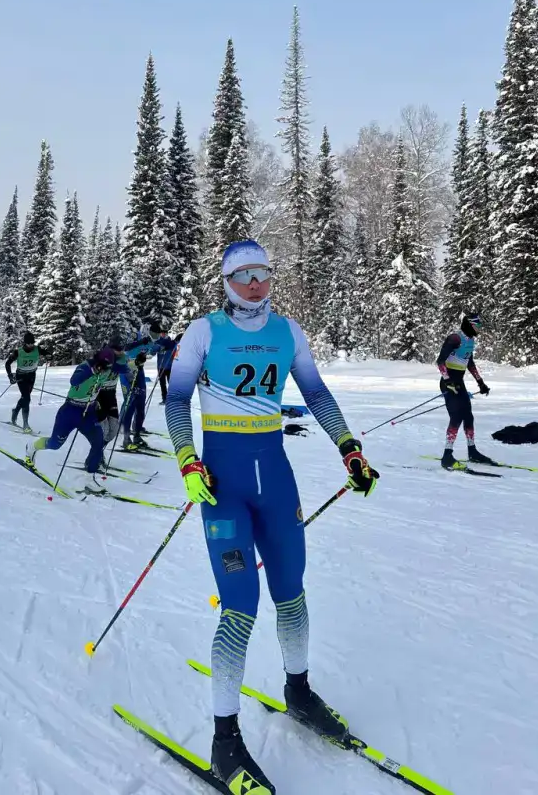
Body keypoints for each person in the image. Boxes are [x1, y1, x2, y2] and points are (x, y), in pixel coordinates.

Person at [166, 239, 379, 794]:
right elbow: (176, 400)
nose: (256, 284)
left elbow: (317, 393)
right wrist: (188, 459)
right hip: (222, 488)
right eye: (244, 276)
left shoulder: (289, 333)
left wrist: (349, 447)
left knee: (292, 591)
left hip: (276, 483)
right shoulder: (204, 332)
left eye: (263, 274)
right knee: (240, 607)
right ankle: (223, 739)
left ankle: (299, 690)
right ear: (227, 282)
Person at [28, 348, 128, 474]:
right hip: (71, 411)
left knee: (98, 442)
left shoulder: (108, 367)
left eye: (109, 367)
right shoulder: (86, 366)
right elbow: (74, 380)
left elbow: (125, 368)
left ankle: (89, 479)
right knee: (54, 444)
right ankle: (31, 447)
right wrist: (93, 371)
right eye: (104, 366)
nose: (106, 370)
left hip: (89, 412)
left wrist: (138, 361)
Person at [437, 312, 491, 469]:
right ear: (469, 324)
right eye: (477, 325)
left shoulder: (470, 341)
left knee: (468, 415)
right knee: (457, 415)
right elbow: (440, 361)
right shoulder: (455, 338)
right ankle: (447, 456)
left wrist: (480, 383)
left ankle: (472, 451)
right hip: (448, 381)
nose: (479, 329)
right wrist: (448, 381)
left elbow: (470, 363)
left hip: (458, 382)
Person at [121, 321, 176, 449]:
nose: (155, 336)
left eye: (157, 334)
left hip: (139, 370)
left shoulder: (153, 341)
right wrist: (140, 343)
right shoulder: (137, 336)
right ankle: (126, 437)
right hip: (127, 370)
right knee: (130, 402)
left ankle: (137, 434)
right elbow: (124, 348)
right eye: (153, 334)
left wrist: (175, 342)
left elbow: (165, 345)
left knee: (141, 403)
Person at [5, 331, 51, 433]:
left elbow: (48, 353)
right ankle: (26, 424)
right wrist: (10, 376)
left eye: (32, 343)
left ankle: (15, 411)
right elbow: (7, 363)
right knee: (27, 398)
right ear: (25, 343)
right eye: (29, 343)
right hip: (20, 376)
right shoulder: (18, 351)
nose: (31, 345)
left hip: (31, 376)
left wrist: (48, 356)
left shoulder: (37, 349)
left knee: (25, 398)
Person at [157, 330, 181, 405]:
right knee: (162, 384)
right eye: (162, 333)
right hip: (161, 366)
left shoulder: (171, 342)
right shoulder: (158, 342)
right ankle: (165, 399)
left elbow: (176, 353)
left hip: (170, 366)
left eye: (165, 333)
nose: (163, 335)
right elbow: (154, 350)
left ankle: (174, 399)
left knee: (171, 383)